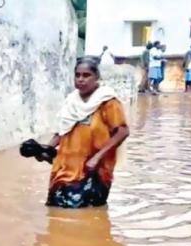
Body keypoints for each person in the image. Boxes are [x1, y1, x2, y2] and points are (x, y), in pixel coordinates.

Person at [45, 57, 129, 208]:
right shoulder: (71, 101)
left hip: (92, 171)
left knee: (84, 214)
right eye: (77, 75)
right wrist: (46, 149)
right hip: (64, 169)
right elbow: (62, 130)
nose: (81, 80)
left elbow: (122, 132)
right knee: (57, 213)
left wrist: (97, 157)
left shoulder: (108, 101)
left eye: (86, 75)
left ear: (97, 77)